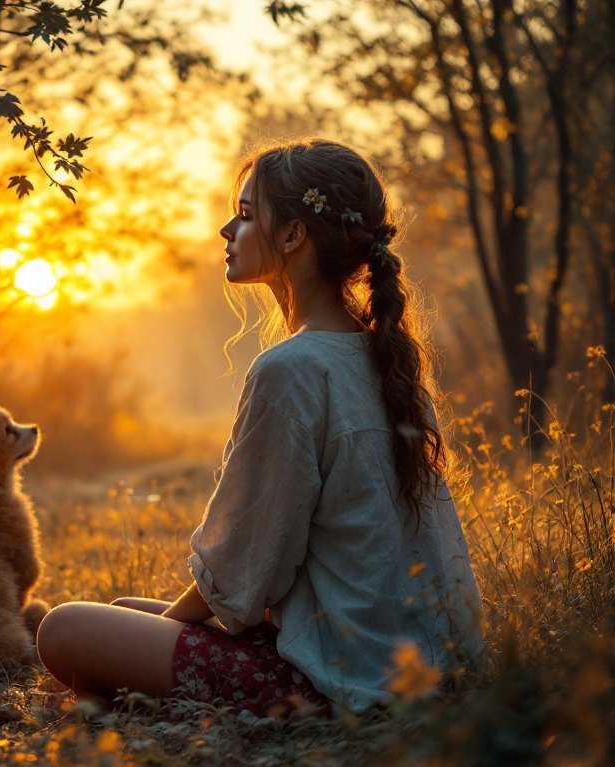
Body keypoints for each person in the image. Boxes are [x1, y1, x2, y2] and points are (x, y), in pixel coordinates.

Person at [35, 138, 484, 716]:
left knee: (65, 627)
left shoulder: (292, 369)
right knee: (122, 611)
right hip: (423, 665)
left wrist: (168, 632)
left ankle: (124, 697)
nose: (227, 229)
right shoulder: (386, 358)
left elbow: (244, 568)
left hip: (339, 684)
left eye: (246, 215)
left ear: (293, 236)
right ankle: (123, 687)